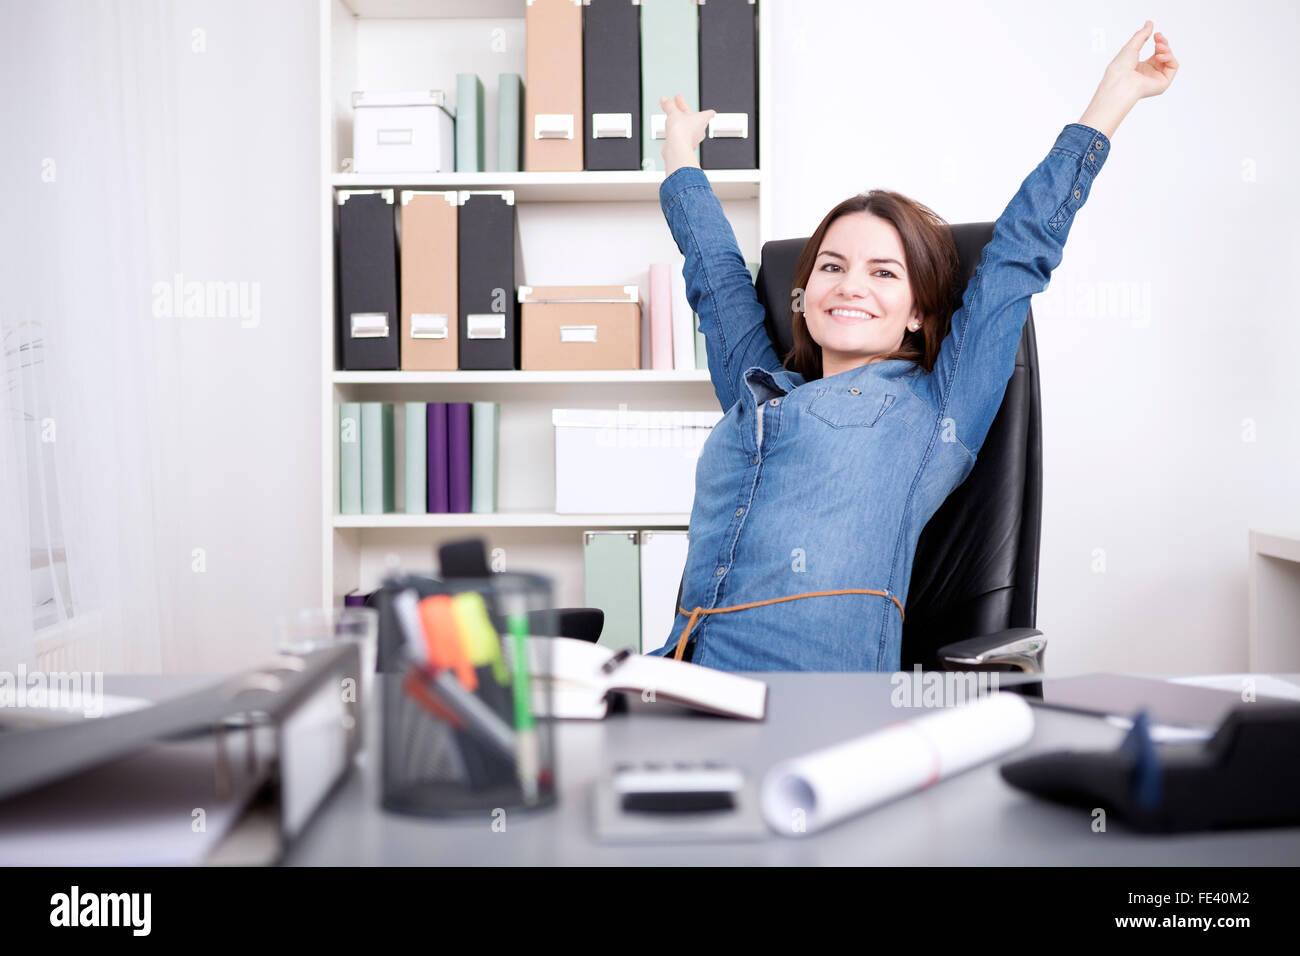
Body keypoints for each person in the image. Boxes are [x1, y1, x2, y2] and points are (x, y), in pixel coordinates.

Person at [643, 21, 1179, 672]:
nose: (850, 286)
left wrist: (1111, 100)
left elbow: (1016, 257)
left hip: (808, 705)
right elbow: (715, 277)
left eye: (883, 272)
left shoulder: (932, 408)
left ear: (921, 313)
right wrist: (680, 157)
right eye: (832, 267)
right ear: (804, 290)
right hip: (674, 679)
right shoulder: (758, 388)